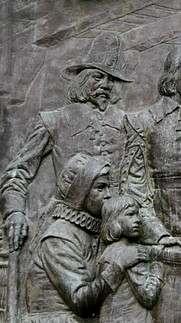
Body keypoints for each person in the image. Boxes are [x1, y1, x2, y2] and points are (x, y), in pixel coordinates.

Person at [0, 32, 134, 252]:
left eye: (111, 79)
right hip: (67, 232)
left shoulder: (123, 121)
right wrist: (14, 211)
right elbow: (18, 171)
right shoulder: (54, 120)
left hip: (118, 231)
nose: (106, 85)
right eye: (98, 77)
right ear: (82, 79)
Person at [22, 154, 148, 322]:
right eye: (101, 188)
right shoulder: (60, 238)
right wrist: (119, 264)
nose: (108, 195)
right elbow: (81, 301)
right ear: (81, 192)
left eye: (109, 187)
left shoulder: (92, 228)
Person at [121, 45, 181, 236]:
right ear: (173, 73)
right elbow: (134, 185)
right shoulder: (144, 121)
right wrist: (157, 232)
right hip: (167, 221)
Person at [99, 196, 165, 323]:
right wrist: (157, 270)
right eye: (130, 215)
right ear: (114, 220)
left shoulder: (108, 251)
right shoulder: (132, 253)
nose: (138, 220)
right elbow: (148, 296)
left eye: (138, 215)